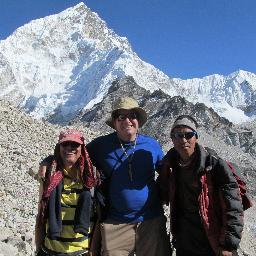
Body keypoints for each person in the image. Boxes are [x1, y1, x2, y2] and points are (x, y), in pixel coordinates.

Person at [86, 96, 171, 256]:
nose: (127, 120)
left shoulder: (152, 145)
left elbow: (167, 171)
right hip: (115, 224)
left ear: (138, 120)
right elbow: (76, 154)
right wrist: (50, 161)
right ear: (115, 122)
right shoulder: (100, 146)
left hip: (150, 221)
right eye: (121, 116)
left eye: (132, 116)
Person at [158, 115, 244, 256]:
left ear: (196, 137)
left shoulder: (214, 165)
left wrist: (228, 245)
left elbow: (233, 207)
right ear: (172, 138)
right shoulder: (169, 166)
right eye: (178, 135)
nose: (183, 140)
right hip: (184, 240)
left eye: (189, 134)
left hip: (213, 241)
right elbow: (161, 193)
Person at [35, 129, 97, 256]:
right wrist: (38, 249)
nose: (69, 148)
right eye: (65, 144)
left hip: (81, 252)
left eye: (74, 145)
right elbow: (41, 215)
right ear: (59, 147)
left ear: (82, 148)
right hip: (50, 250)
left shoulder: (91, 177)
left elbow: (98, 218)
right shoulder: (49, 176)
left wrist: (93, 251)